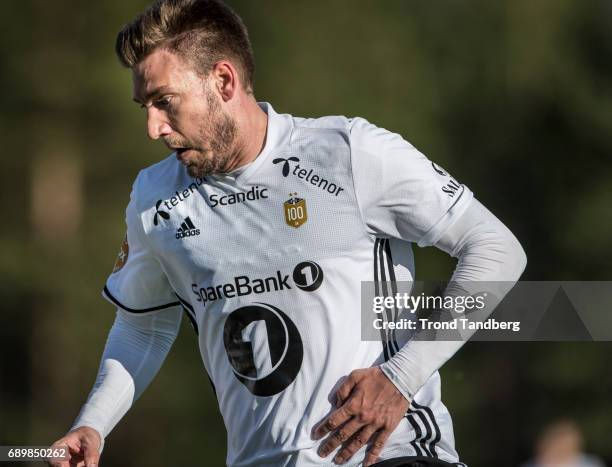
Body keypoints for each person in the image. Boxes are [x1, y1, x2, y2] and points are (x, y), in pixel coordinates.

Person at [48, 0, 526, 466]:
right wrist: (94, 423)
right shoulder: (155, 199)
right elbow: (143, 325)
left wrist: (401, 378)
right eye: (145, 107)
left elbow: (496, 251)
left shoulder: (350, 152)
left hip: (389, 454)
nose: (153, 127)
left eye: (164, 103)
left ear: (223, 81)